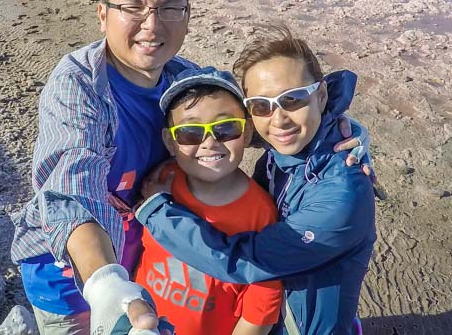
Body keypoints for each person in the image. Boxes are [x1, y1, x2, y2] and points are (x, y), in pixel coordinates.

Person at [10, 0, 371, 335]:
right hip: (72, 277)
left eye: (169, 9)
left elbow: (259, 118)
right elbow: (72, 184)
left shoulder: (184, 81)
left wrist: (332, 131)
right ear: (103, 14)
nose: (152, 24)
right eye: (133, 7)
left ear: (186, 18)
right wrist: (105, 287)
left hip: (141, 257)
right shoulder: (81, 84)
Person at [137, 25, 376, 335]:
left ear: (321, 95)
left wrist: (156, 212)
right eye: (262, 105)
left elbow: (244, 261)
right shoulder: (282, 151)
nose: (278, 120)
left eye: (293, 99)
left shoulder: (343, 194)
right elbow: (222, 131)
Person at [136, 66, 283, 335]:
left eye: (226, 128)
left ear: (247, 132)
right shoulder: (162, 182)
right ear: (170, 141)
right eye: (190, 132)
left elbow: (260, 309)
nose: (209, 142)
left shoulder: (261, 214)